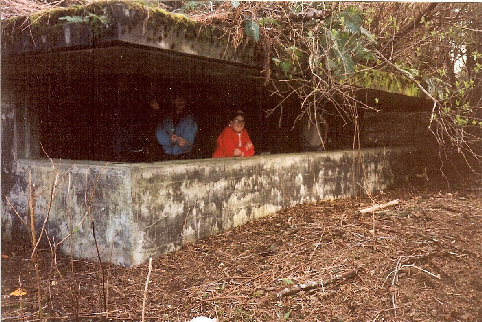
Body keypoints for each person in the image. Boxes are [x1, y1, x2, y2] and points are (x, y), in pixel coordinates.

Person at [156, 94, 198, 159]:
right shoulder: (165, 119)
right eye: (178, 100)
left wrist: (184, 142)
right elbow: (159, 134)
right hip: (167, 155)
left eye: (182, 100)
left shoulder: (190, 120)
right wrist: (170, 140)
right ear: (173, 102)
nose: (180, 102)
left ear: (185, 102)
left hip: (185, 155)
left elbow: (190, 139)